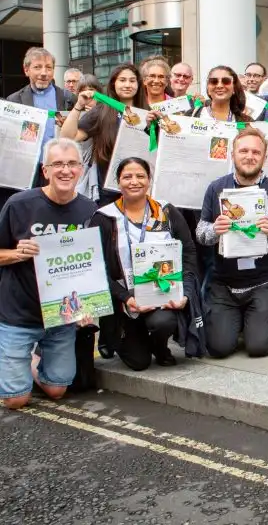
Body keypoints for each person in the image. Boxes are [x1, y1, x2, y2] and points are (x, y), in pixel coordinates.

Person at [0, 138, 98, 409]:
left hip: (61, 317)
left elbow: (91, 267)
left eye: (72, 164)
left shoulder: (90, 210)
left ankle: (27, 360)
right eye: (58, 164)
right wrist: (16, 254)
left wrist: (88, 307)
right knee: (16, 400)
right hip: (18, 314)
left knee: (56, 389)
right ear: (45, 170)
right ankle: (10, 357)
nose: (65, 170)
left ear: (80, 170)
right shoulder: (19, 204)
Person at [91, 157, 202, 370]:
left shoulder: (166, 211)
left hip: (160, 294)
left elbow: (188, 253)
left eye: (140, 176)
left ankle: (159, 346)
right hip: (124, 300)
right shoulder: (104, 218)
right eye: (127, 177)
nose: (134, 181)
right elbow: (96, 268)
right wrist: (125, 297)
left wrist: (185, 293)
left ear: (149, 180)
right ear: (118, 182)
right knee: (139, 362)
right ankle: (119, 334)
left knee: (164, 322)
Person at [196, 127, 268, 358]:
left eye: (256, 152)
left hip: (262, 282)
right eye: (244, 151)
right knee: (219, 348)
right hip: (224, 284)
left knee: (258, 347)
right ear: (233, 154)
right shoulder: (216, 188)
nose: (249, 156)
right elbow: (200, 233)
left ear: (264, 158)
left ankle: (267, 315)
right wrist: (214, 230)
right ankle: (241, 319)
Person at [60, 63, 148, 203]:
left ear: (138, 85)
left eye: (132, 81)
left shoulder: (147, 113)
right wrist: (79, 105)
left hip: (140, 188)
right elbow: (68, 137)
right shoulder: (102, 111)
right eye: (122, 80)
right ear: (113, 84)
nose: (127, 85)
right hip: (108, 190)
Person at [6, 47, 77, 159]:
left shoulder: (68, 98)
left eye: (49, 68)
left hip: (61, 162)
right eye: (37, 67)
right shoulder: (14, 100)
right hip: (28, 162)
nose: (44, 73)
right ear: (26, 70)